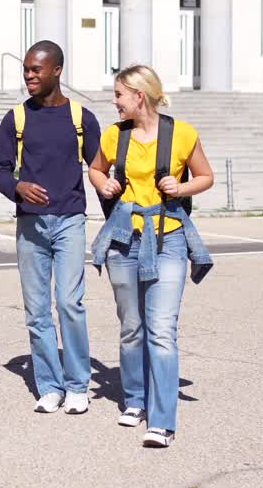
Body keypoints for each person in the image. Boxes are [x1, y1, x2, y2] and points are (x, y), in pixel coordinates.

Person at [87, 64, 215, 448]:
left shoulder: (182, 134)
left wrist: (182, 187)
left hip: (168, 239)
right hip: (124, 239)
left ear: (138, 95)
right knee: (131, 328)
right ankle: (135, 400)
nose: (114, 102)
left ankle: (162, 422)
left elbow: (206, 177)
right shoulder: (115, 135)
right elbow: (95, 169)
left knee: (161, 330)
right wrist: (104, 183)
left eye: (118, 95)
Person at [0, 40, 102, 415]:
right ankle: (50, 387)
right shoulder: (16, 119)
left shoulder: (82, 118)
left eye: (36, 69)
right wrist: (17, 187)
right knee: (37, 311)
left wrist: (115, 221)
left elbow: (99, 171)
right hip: (30, 226)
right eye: (26, 69)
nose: (29, 75)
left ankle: (77, 386)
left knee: (70, 303)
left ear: (57, 70)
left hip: (70, 221)